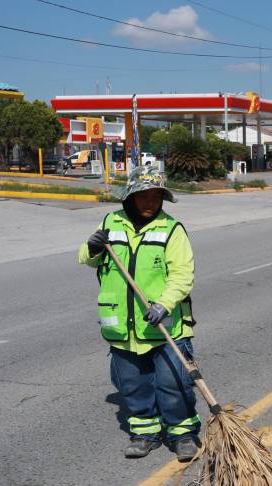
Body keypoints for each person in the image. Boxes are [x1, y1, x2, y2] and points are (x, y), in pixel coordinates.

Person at [79, 165, 201, 461]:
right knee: (133, 386)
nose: (150, 202)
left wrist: (164, 304)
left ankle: (182, 434)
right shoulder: (111, 222)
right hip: (123, 326)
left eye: (156, 196)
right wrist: (92, 248)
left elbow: (182, 275)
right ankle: (145, 433)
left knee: (173, 383)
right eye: (144, 195)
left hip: (165, 325)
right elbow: (87, 260)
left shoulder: (171, 229)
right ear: (130, 196)